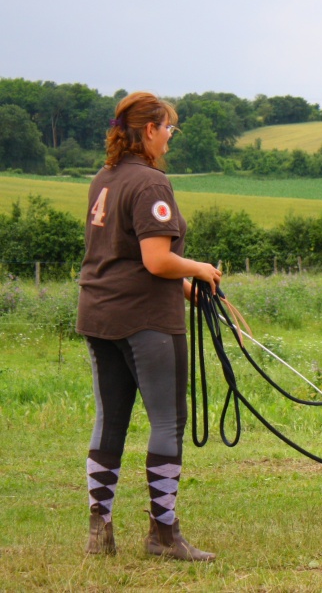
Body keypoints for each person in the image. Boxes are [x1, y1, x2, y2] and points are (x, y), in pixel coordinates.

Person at [77, 91, 221, 561]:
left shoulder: (105, 178)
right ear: (148, 131)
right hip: (146, 321)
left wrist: (184, 286)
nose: (170, 138)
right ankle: (163, 535)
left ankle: (100, 530)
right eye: (168, 129)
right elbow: (157, 259)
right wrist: (197, 269)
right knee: (167, 421)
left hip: (101, 315)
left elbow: (125, 255)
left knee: (110, 420)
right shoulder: (152, 184)